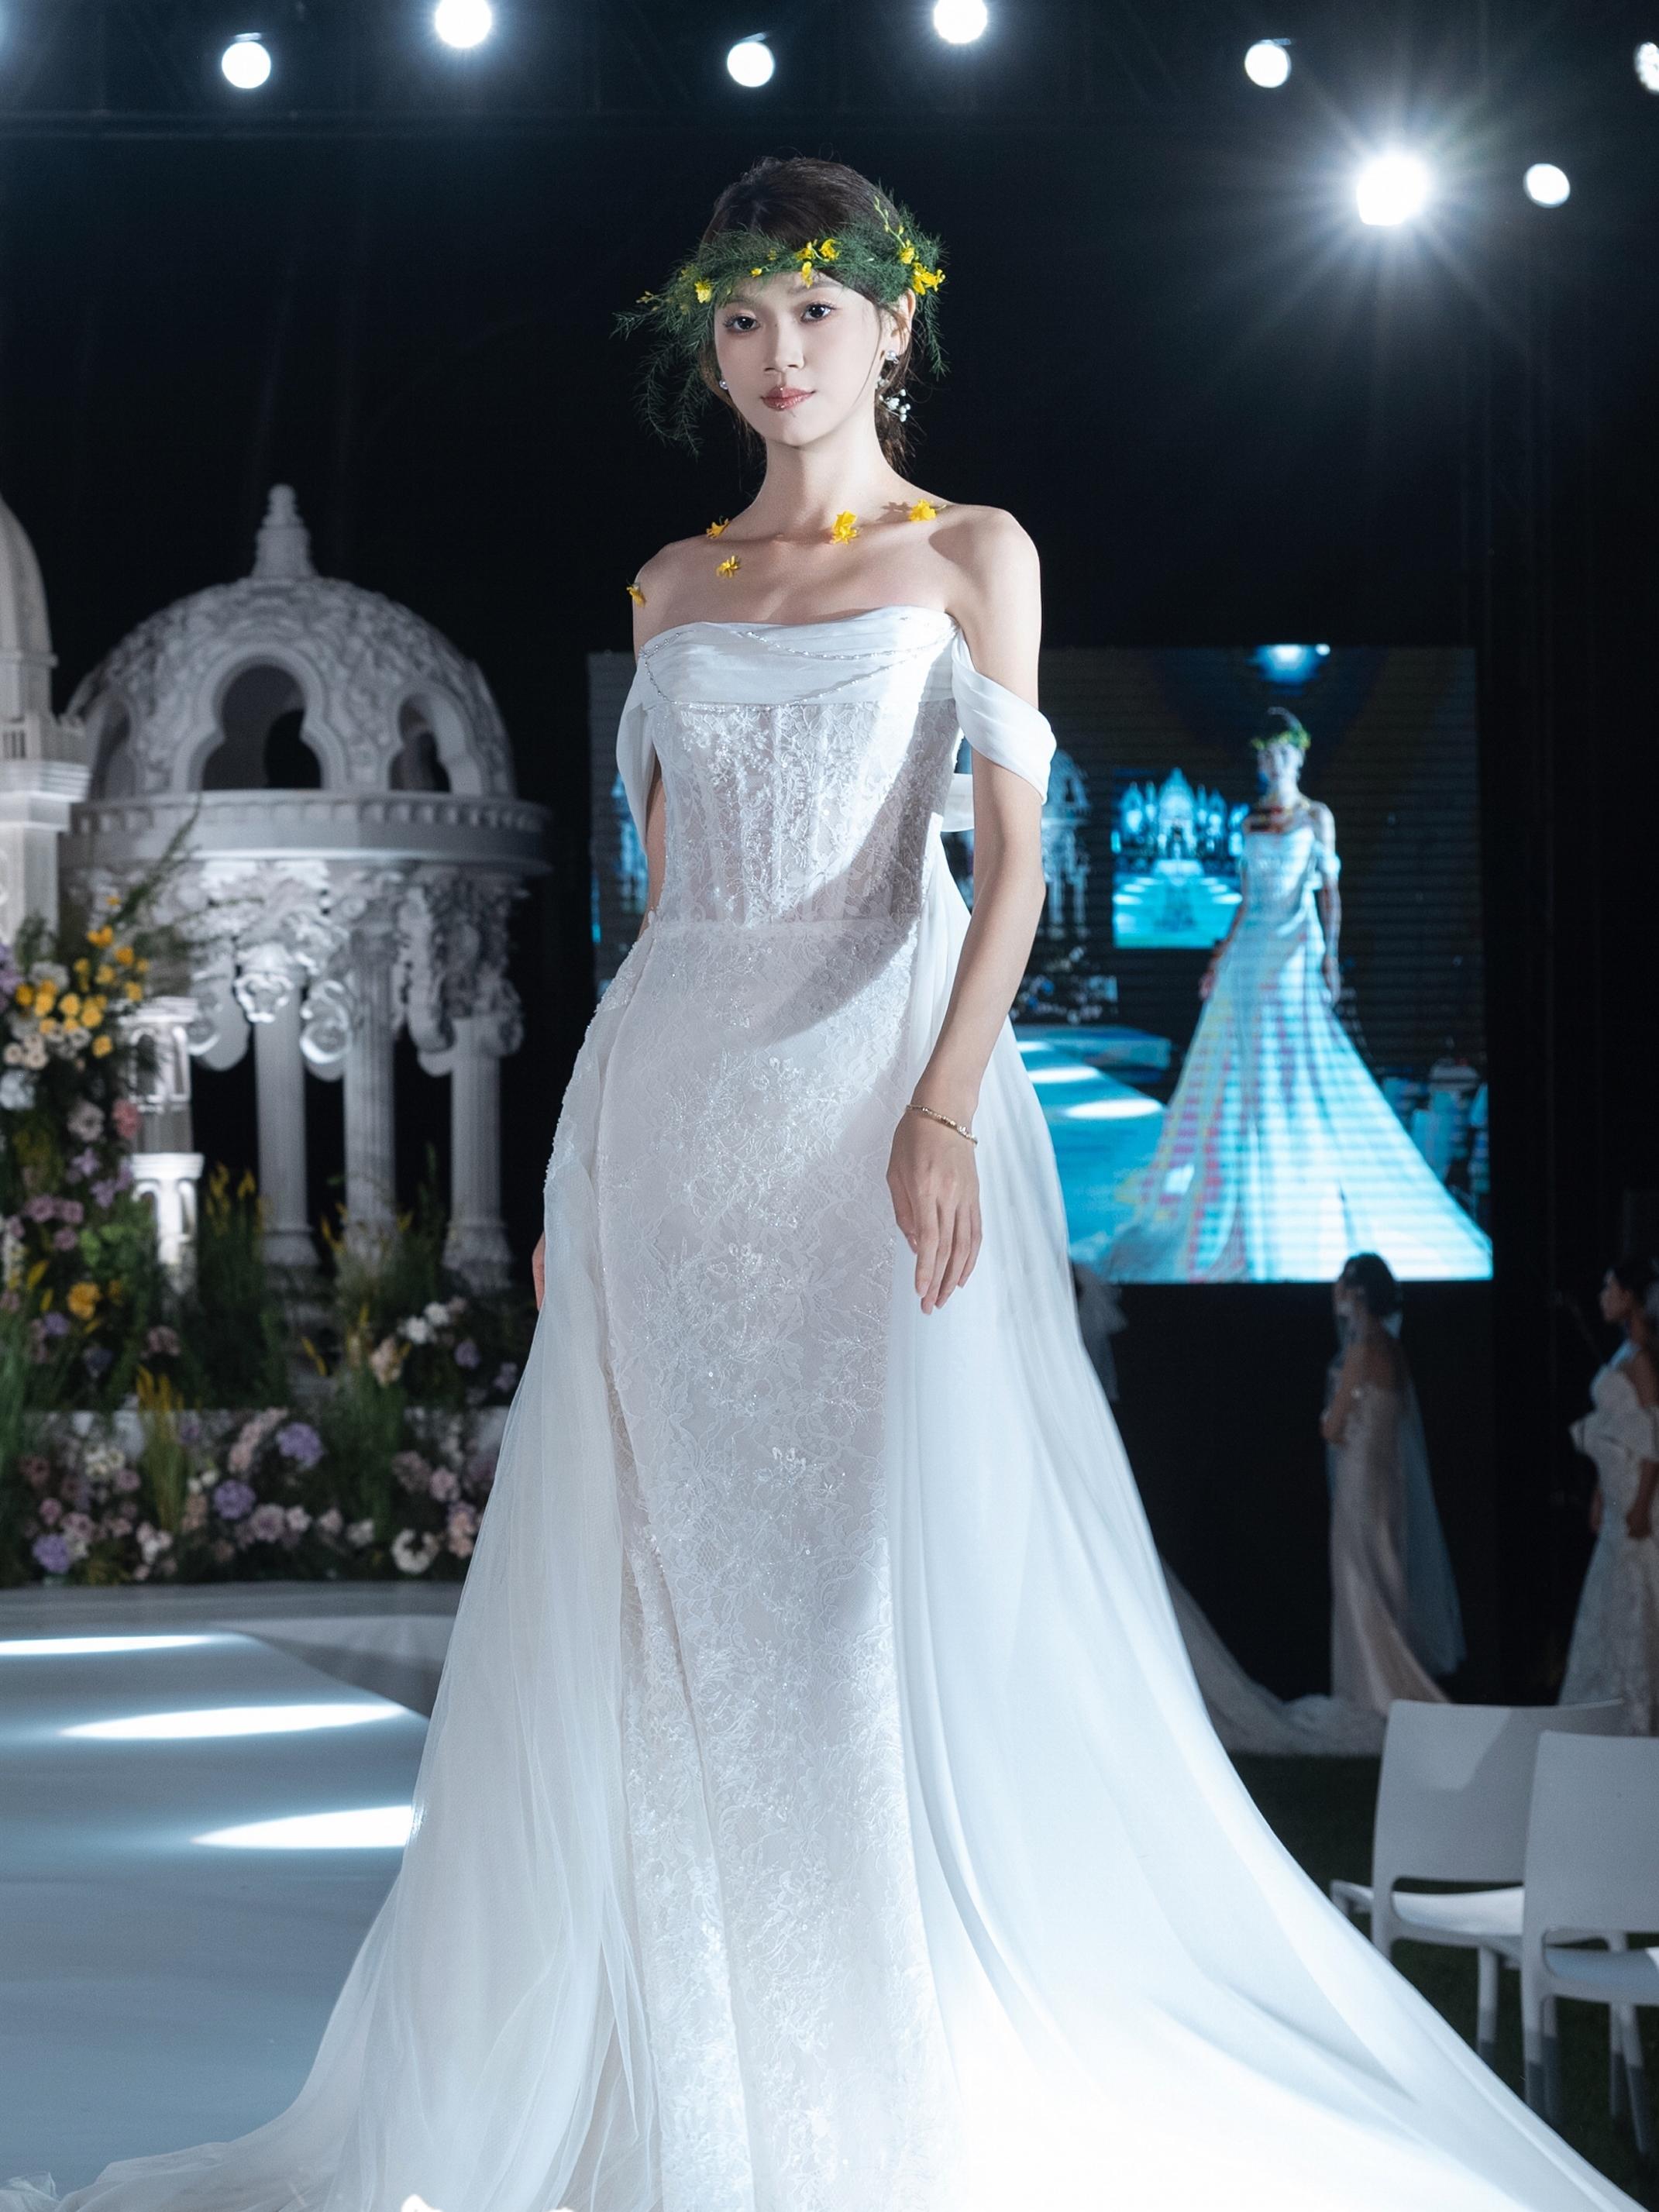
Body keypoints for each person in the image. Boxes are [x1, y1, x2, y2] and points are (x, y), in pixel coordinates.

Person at [4, 157, 1637, 2212]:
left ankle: (863, 2092)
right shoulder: (668, 585)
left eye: (813, 313)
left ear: (893, 323)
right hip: (670, 1116)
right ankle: (678, 2085)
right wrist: (581, 1159)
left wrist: (939, 1112)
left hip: (869, 1108)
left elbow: (1009, 870)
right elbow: (661, 915)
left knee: (845, 1592)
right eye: (741, 319)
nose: (776, 355)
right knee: (662, 1598)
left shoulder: (970, 553)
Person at [1106, 709, 1493, 1282]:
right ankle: (1243, 1190)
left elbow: (1329, 892)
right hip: (1250, 955)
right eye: (1268, 753)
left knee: (1294, 1062)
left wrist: (1330, 956)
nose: (1276, 762)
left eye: (1284, 752)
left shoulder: (1317, 817)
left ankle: (1295, 1177)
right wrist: (1218, 959)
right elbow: (1246, 901)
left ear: (1300, 755)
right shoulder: (1250, 820)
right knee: (1242, 1071)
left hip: (1294, 951)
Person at [1321, 1251, 1466, 1712]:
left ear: (1356, 1294)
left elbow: (1334, 1428)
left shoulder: (1362, 1351)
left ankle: (1375, 1692)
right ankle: (1384, 1684)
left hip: (1359, 1483)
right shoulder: (1392, 1349)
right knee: (1383, 1575)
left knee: (1360, 1578)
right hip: (1387, 1482)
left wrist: (1328, 1418)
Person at [1559, 1254, 1659, 1731]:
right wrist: (1602, 1491)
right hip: (1620, 1492)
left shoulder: (1641, 1361)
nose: (1602, 1297)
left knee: (1638, 1592)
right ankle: (1612, 1709)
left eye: (1609, 1288)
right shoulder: (1623, 1354)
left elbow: (1654, 1437)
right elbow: (1618, 1432)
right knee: (1615, 1599)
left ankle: (1637, 1711)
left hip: (1639, 1498)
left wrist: (1641, 1504)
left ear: (1630, 1297)